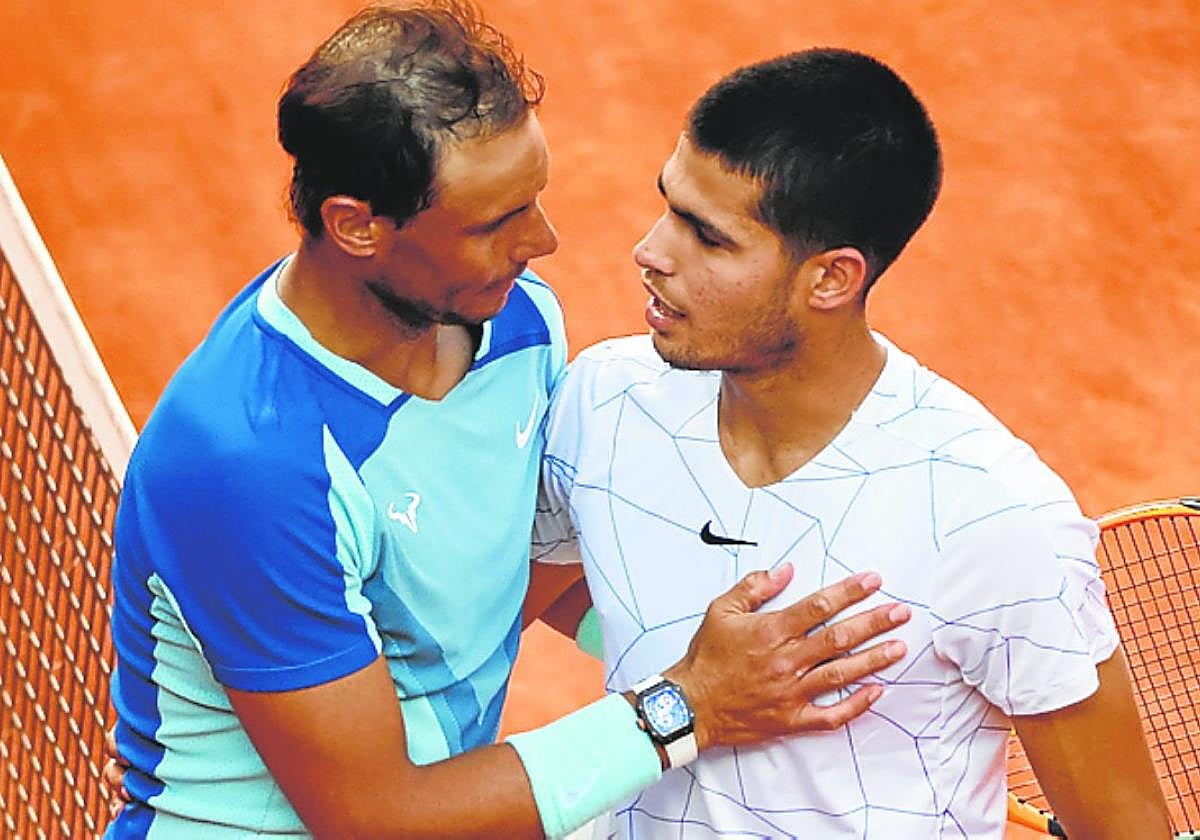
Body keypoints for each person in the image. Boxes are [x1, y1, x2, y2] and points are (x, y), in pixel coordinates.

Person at [105, 4, 912, 838]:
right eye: (496, 223)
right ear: (356, 226)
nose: (545, 241)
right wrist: (691, 701)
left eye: (534, 199)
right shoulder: (251, 464)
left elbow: (500, 583)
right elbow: (375, 817)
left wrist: (767, 668)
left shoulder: (516, 325)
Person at [535, 48, 1172, 838]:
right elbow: (529, 595)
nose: (652, 251)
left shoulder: (990, 516)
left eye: (709, 237)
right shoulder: (605, 402)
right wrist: (706, 683)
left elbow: (1123, 826)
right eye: (668, 206)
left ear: (831, 279)